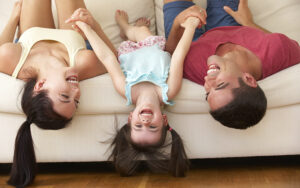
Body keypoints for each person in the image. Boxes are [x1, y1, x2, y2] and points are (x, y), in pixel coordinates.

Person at [66, 9, 199, 176]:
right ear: (164, 121)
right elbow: (178, 57)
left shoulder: (126, 89)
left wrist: (87, 29)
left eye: (138, 125)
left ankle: (126, 29)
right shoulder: (168, 91)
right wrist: (190, 27)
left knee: (127, 42)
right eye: (152, 127)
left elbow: (107, 58)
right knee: (143, 32)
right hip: (153, 46)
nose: (145, 120)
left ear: (130, 118)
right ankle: (130, 29)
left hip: (127, 53)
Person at [0, 0, 115, 187]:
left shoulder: (12, 60)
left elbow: (1, 47)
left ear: (40, 86)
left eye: (64, 96)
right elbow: (114, 58)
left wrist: (14, 19)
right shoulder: (84, 63)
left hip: (31, 33)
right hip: (71, 37)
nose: (76, 90)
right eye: (76, 101)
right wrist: (93, 28)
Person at [163, 0, 300, 129]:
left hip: (191, 40)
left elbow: (171, 54)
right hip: (231, 27)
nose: (208, 82)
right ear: (248, 79)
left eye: (208, 93)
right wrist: (248, 21)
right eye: (220, 84)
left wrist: (177, 23)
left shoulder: (194, 67)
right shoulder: (277, 50)